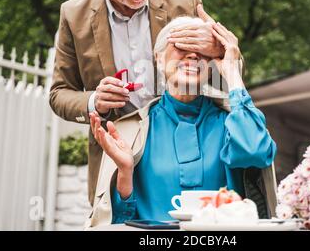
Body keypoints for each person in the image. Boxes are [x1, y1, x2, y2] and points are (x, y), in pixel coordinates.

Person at [49, 0, 227, 206]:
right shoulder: (74, 15)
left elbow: (233, 79)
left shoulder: (185, 1)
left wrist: (220, 54)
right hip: (116, 161)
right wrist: (95, 100)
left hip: (187, 154)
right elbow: (59, 94)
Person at [86, 17, 277, 227]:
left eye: (202, 48)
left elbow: (256, 153)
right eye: (181, 44)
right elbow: (119, 221)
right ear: (159, 58)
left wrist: (231, 71)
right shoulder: (132, 131)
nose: (193, 54)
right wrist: (125, 171)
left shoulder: (232, 121)